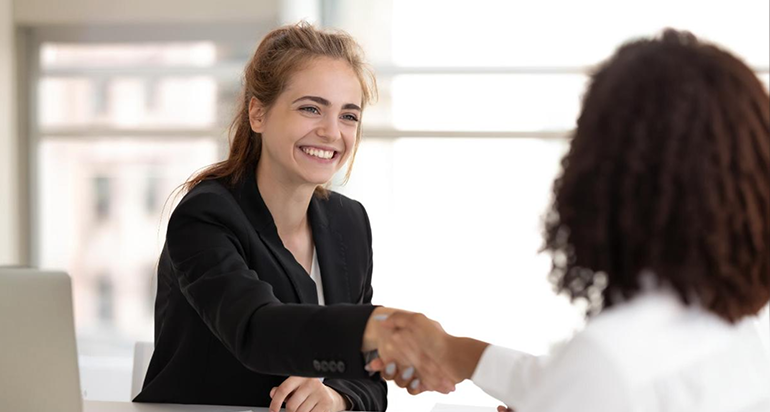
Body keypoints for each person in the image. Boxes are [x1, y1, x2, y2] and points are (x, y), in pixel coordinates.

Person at [368, 29, 770, 412]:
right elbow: (569, 381)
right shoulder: (736, 334)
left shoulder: (608, 359)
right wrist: (455, 351)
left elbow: (590, 378)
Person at [134, 22, 411, 412]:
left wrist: (335, 398)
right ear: (257, 113)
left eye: (349, 116)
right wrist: (376, 330)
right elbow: (257, 329)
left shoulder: (349, 222)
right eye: (311, 108)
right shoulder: (205, 216)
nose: (332, 132)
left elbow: (368, 379)